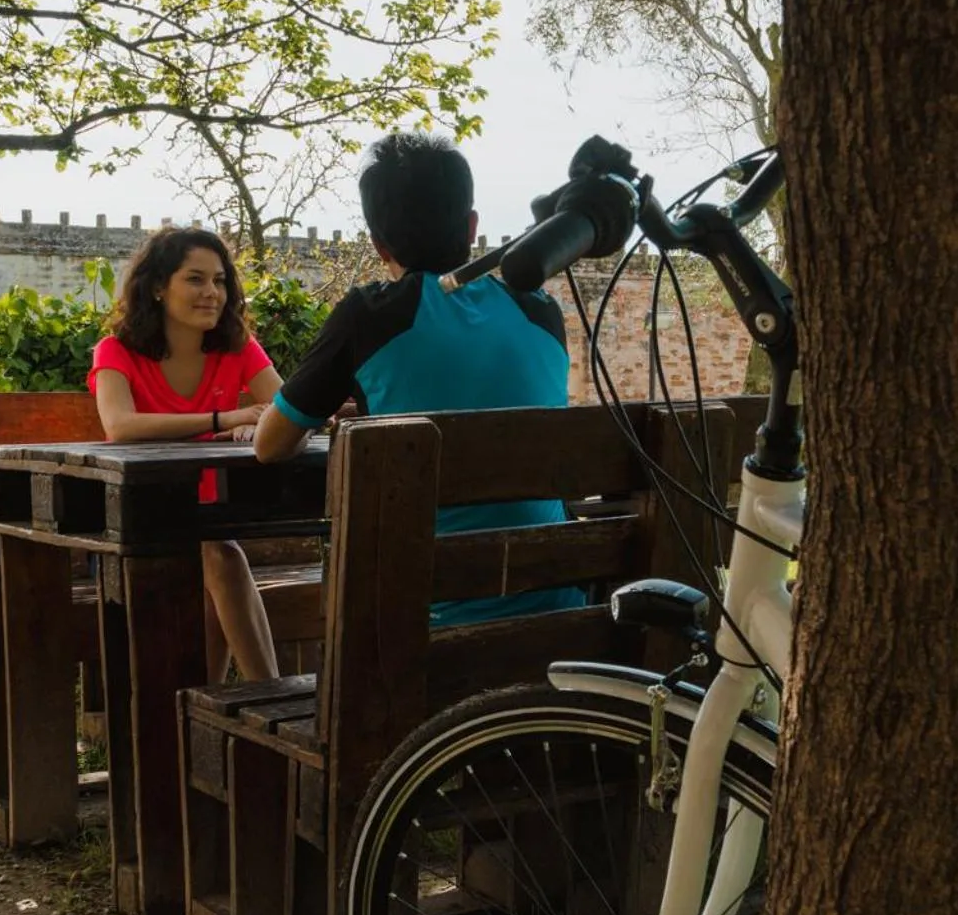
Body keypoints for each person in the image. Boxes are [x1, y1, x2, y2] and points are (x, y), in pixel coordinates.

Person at [253, 132, 586, 626]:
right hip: (556, 609)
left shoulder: (369, 316)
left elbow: (269, 445)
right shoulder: (541, 312)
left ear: (377, 242)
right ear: (472, 226)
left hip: (419, 626)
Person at [89, 227, 281, 681]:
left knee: (218, 557)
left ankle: (204, 716)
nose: (211, 292)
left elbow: (284, 409)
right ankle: (270, 695)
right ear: (157, 286)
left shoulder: (237, 346)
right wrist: (225, 419)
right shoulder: (115, 351)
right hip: (131, 526)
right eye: (195, 279)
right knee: (221, 556)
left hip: (209, 521)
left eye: (219, 281)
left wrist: (258, 420)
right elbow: (120, 426)